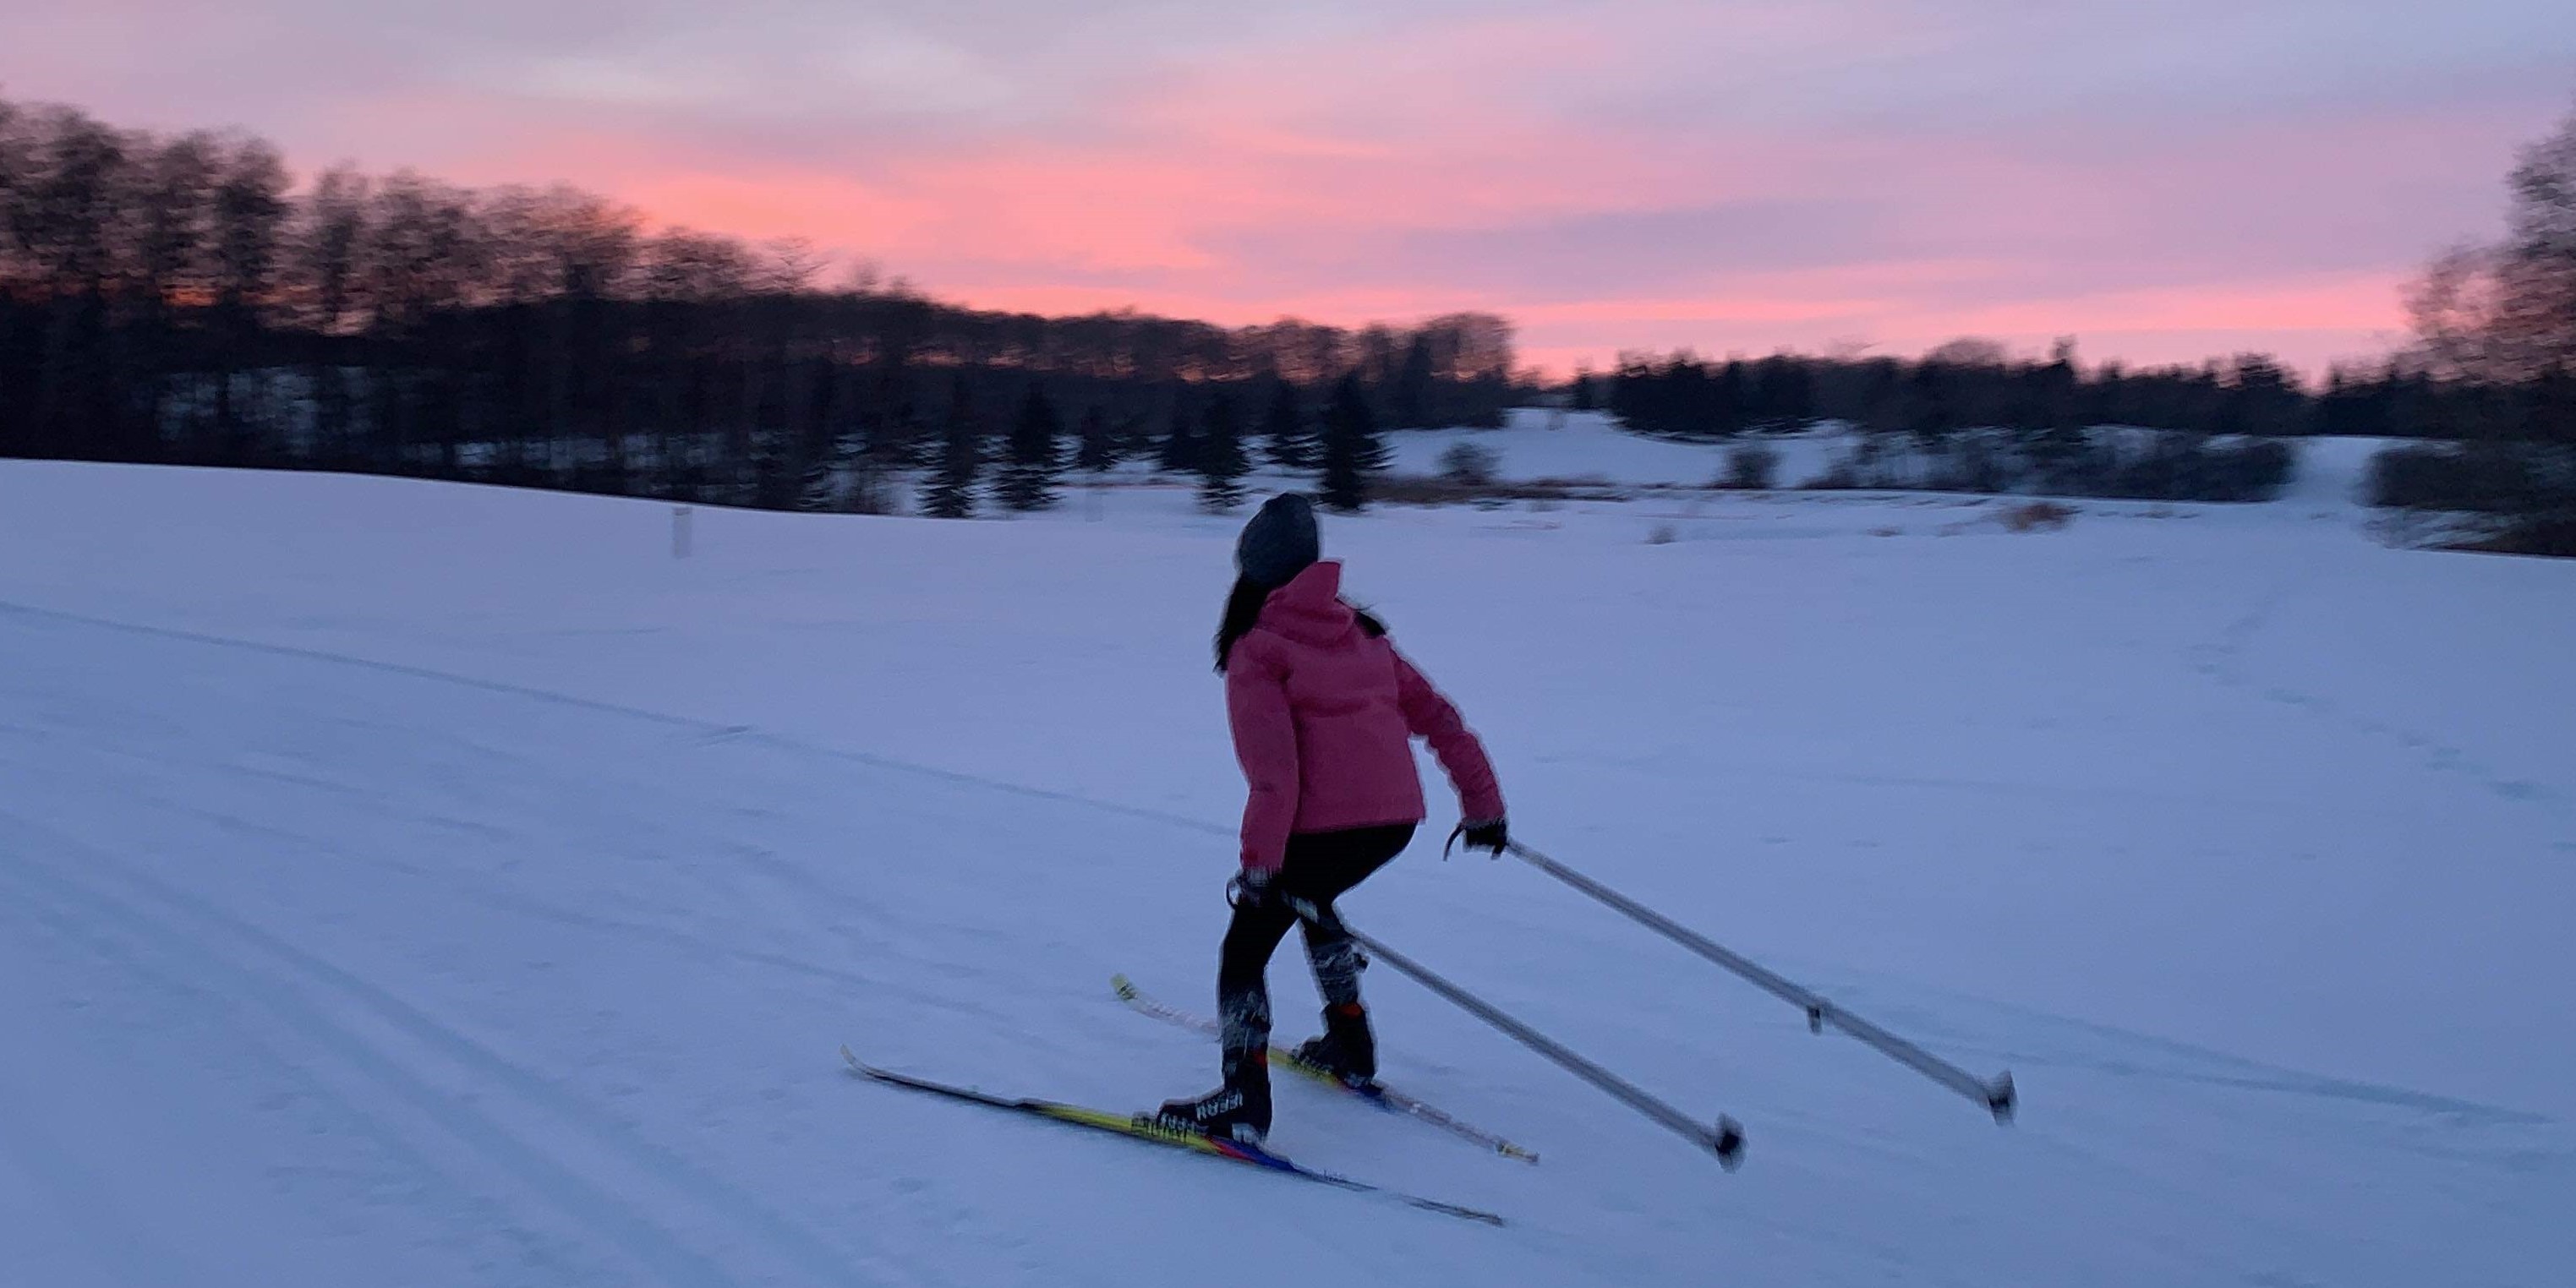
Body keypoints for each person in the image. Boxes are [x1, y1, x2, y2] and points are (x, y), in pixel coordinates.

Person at [1154, 492, 1507, 1145]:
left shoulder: (1258, 650)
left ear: (1252, 571)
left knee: (1245, 948)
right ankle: (1349, 1040)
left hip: (1319, 828)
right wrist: (1483, 808)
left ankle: (1241, 1099)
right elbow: (1441, 721)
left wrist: (1258, 866)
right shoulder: (1362, 632)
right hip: (1391, 824)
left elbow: (1274, 775)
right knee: (1314, 902)